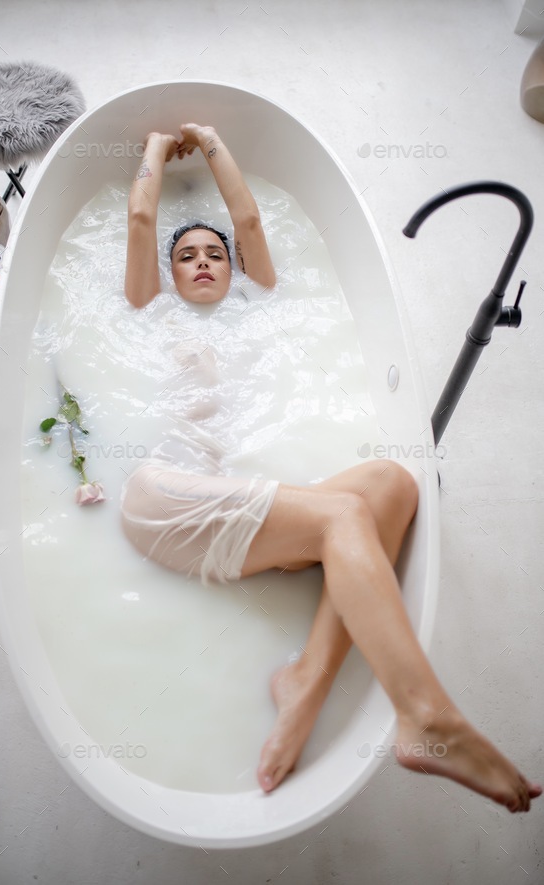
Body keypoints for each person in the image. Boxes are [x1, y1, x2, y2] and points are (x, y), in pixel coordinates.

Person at [121, 123, 541, 812]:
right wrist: (161, 145)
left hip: (226, 498)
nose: (202, 261)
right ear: (169, 273)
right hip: (160, 493)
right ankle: (425, 712)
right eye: (187, 255)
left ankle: (306, 681)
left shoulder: (255, 307)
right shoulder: (150, 311)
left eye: (214, 254)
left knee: (395, 485)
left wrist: (216, 137)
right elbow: (141, 215)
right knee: (347, 513)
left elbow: (249, 217)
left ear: (233, 268)